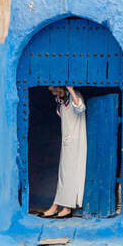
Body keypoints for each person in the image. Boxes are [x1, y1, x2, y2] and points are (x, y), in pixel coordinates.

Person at [39, 86, 87, 219]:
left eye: (55, 90)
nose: (55, 93)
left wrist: (71, 90)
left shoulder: (74, 96)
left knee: (69, 174)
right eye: (53, 92)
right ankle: (57, 206)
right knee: (64, 174)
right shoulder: (61, 100)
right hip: (67, 141)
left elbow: (80, 108)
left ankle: (65, 208)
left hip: (75, 142)